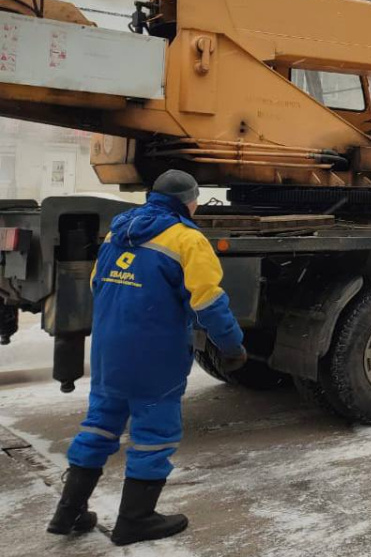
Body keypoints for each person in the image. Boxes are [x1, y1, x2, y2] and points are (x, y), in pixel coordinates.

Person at [47, 170, 247, 546]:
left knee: (99, 424)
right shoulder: (188, 239)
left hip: (110, 350)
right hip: (156, 353)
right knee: (154, 433)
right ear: (190, 201)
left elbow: (96, 282)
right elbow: (208, 301)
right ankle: (135, 519)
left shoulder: (119, 230)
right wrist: (232, 346)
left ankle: (68, 512)